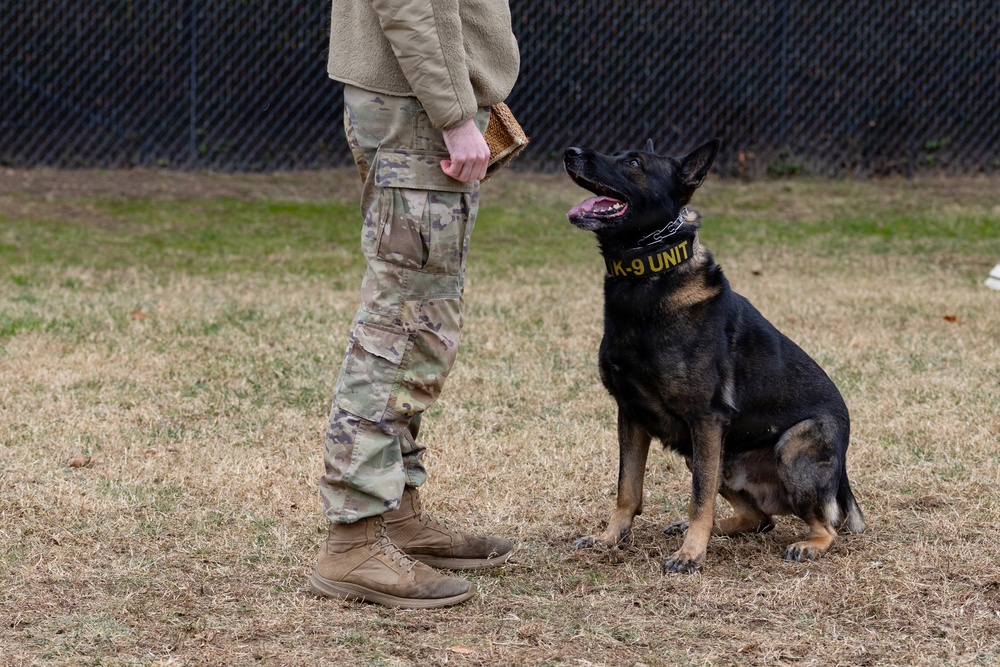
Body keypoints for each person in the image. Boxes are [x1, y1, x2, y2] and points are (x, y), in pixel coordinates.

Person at [308, 0, 521, 608]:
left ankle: (396, 512)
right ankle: (352, 543)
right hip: (418, 108)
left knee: (419, 316)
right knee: (404, 325)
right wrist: (454, 113)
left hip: (412, 100)